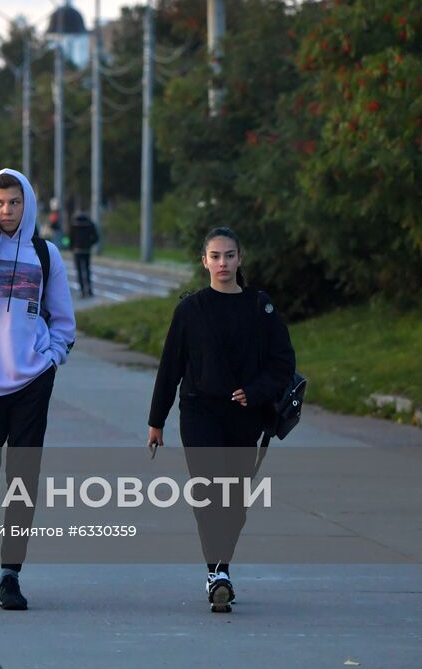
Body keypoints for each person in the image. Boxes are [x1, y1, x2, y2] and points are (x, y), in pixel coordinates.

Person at [146, 227, 296, 611]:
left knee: (236, 499)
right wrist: (156, 421)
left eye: (229, 255)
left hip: (245, 416)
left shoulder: (260, 308)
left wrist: (256, 390)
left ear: (240, 259)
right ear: (204, 262)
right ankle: (218, 572)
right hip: (200, 412)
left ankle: (221, 567)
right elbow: (171, 368)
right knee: (208, 493)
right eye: (215, 256)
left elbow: (283, 363)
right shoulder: (190, 310)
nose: (222, 263)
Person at [0, 169, 76, 611]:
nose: (7, 211)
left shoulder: (46, 254)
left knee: (23, 478)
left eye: (15, 203)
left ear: (28, 205)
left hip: (31, 380)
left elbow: (63, 318)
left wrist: (52, 358)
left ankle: (11, 573)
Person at [67, 211, 99, 299]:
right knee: (87, 270)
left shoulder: (73, 224)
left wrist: (71, 247)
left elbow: (69, 237)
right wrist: (89, 244)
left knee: (79, 271)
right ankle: (90, 290)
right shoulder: (90, 223)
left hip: (77, 251)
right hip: (86, 250)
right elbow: (96, 237)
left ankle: (82, 291)